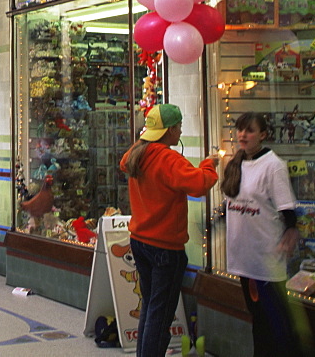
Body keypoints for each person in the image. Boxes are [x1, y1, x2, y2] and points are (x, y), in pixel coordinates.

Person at [120, 104, 218, 357]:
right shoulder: (168, 158)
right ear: (171, 130)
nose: (181, 131)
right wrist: (210, 164)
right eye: (180, 127)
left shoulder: (137, 153)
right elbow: (198, 184)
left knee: (151, 307)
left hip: (140, 241)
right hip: (165, 247)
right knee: (160, 314)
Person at [221, 112, 304, 356]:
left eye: (249, 130)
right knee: (258, 320)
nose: (243, 135)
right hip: (243, 259)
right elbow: (230, 205)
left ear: (263, 135)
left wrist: (291, 230)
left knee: (276, 324)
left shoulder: (273, 166)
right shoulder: (236, 164)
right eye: (240, 130)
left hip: (265, 260)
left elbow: (287, 208)